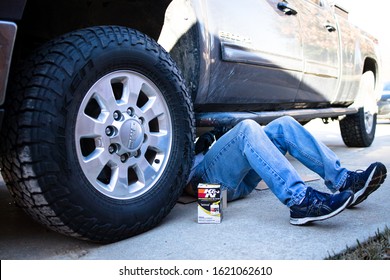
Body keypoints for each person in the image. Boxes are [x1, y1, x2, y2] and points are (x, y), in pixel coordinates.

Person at [186, 116, 387, 225]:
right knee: (246, 129)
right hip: (204, 181)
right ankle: (300, 200)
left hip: (239, 182)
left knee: (284, 125)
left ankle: (343, 181)